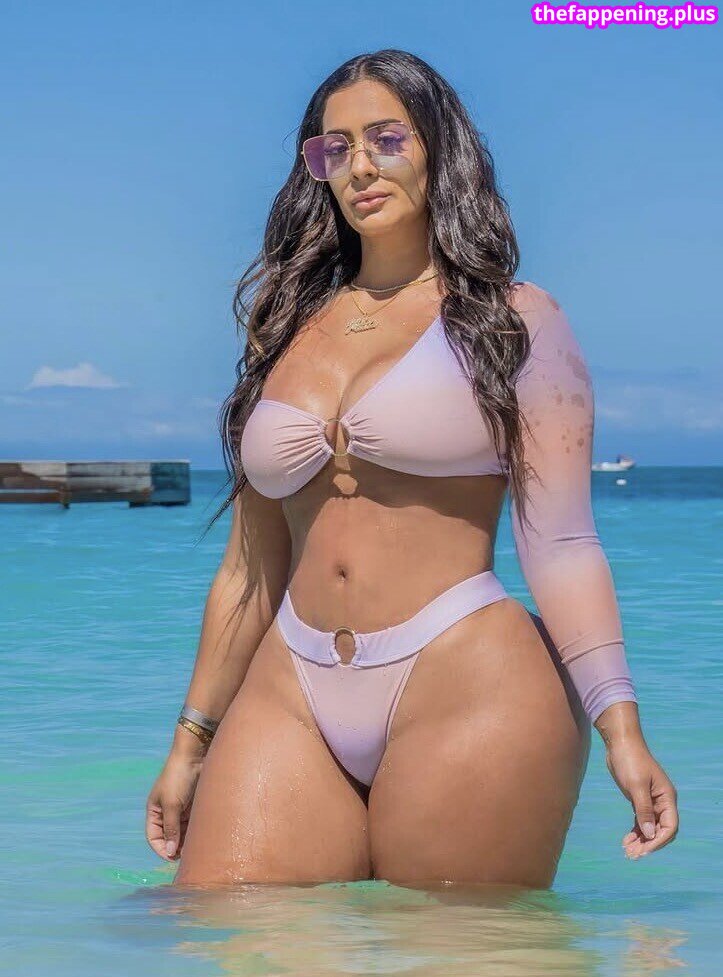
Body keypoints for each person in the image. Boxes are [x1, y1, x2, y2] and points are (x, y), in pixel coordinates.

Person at [145, 49, 678, 888]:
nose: (359, 165)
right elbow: (250, 564)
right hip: (292, 683)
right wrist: (189, 742)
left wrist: (621, 729)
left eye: (386, 139)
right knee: (216, 922)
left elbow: (562, 543)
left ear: (437, 147)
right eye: (334, 148)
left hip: (466, 675)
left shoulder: (511, 319)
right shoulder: (283, 325)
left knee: (452, 941)